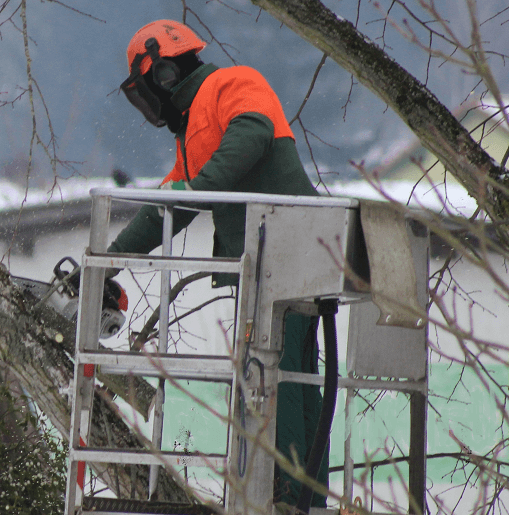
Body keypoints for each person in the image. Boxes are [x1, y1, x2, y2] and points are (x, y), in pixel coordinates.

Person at [106, 19, 327, 510]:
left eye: (145, 91)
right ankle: (303, 497)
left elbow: (253, 133)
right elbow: (168, 208)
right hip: (267, 269)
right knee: (287, 380)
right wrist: (108, 262)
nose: (148, 105)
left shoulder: (233, 83)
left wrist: (199, 189)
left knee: (282, 383)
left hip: (291, 256)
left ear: (161, 74)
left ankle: (289, 500)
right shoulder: (193, 129)